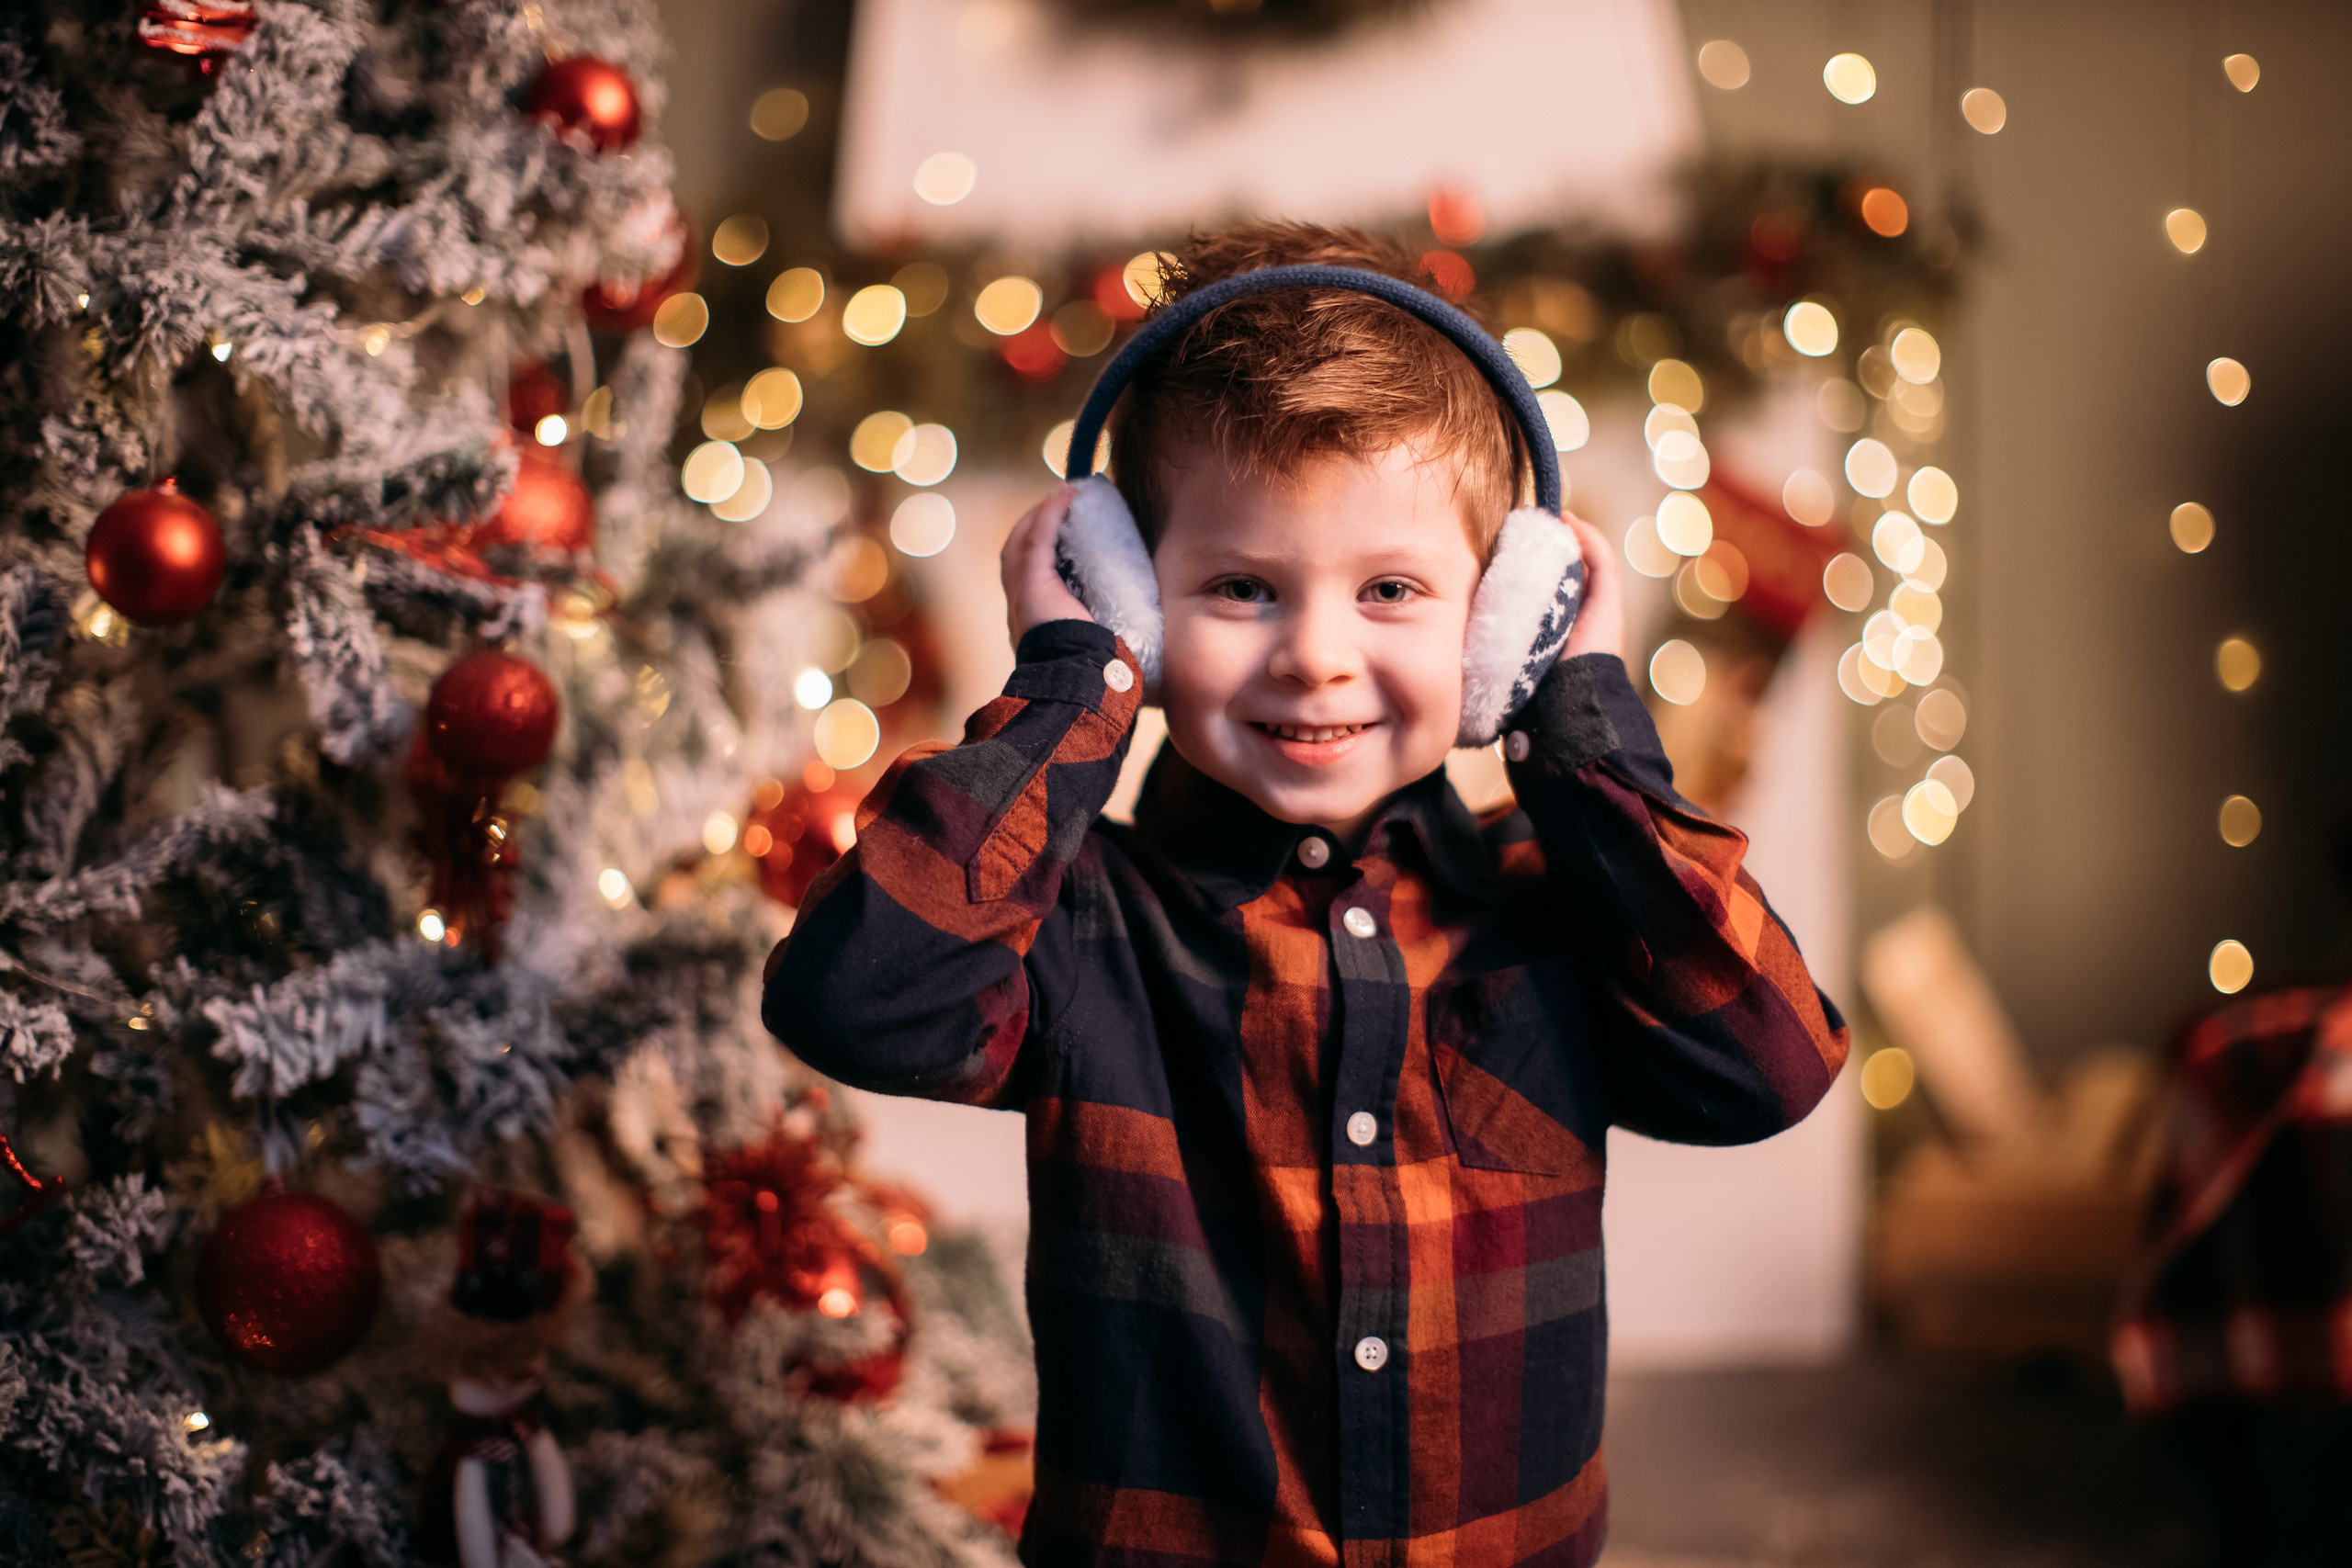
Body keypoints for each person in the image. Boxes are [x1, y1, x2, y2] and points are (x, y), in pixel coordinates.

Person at [763, 223, 1848, 1567]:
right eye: (1239, 589)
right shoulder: (1081, 919)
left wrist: (1584, 732)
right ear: (1135, 610)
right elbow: (854, 1001)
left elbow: (1776, 1066)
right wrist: (1068, 688)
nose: (1317, 657)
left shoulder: (1553, 898)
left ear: (1506, 620)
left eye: (1393, 590)